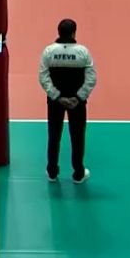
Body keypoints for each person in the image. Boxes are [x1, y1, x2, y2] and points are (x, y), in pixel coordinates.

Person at [38, 19, 97, 184]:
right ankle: (78, 173)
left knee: (54, 136)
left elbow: (43, 77)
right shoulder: (83, 52)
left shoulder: (49, 52)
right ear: (74, 33)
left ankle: (52, 172)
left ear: (59, 32)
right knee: (77, 137)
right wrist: (78, 97)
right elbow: (91, 78)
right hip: (77, 103)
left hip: (55, 103)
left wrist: (57, 97)